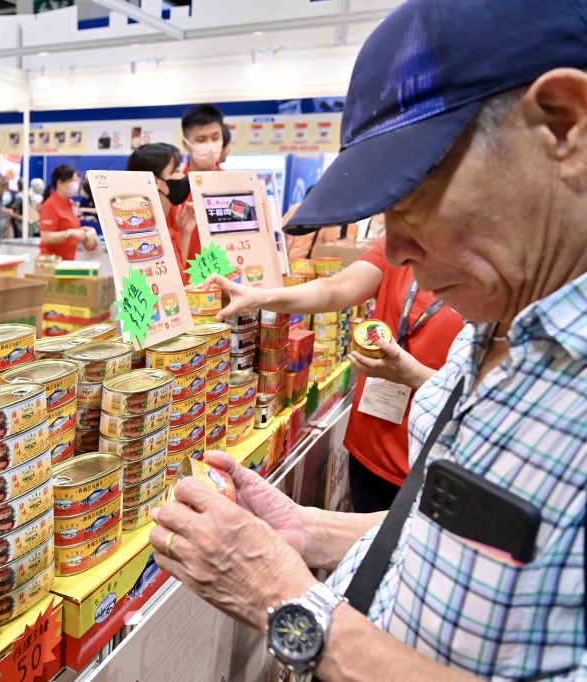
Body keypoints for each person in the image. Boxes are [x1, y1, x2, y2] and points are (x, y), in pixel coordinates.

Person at [151, 0, 587, 679]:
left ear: (564, 126)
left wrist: (282, 601)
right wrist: (306, 529)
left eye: (413, 197)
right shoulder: (497, 328)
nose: (395, 248)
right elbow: (458, 548)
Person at [203, 236, 464, 511]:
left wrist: (415, 375)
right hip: (370, 444)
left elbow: (488, 392)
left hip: (432, 462)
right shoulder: (405, 241)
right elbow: (337, 287)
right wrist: (260, 297)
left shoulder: (494, 279)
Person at [169, 104, 224, 279]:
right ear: (186, 144)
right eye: (201, 140)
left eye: (215, 137)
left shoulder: (233, 184)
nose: (210, 146)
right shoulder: (174, 187)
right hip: (190, 287)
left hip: (230, 284)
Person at [127, 143, 192, 280]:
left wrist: (185, 232)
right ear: (155, 181)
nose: (182, 176)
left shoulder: (173, 215)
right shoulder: (138, 230)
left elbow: (180, 273)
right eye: (175, 171)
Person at [39, 164, 96, 261]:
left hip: (67, 260)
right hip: (51, 261)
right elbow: (46, 237)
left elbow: (66, 227)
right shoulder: (50, 205)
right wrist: (70, 232)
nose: (76, 184)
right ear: (60, 183)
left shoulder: (69, 203)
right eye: (73, 181)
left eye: (77, 181)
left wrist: (79, 230)